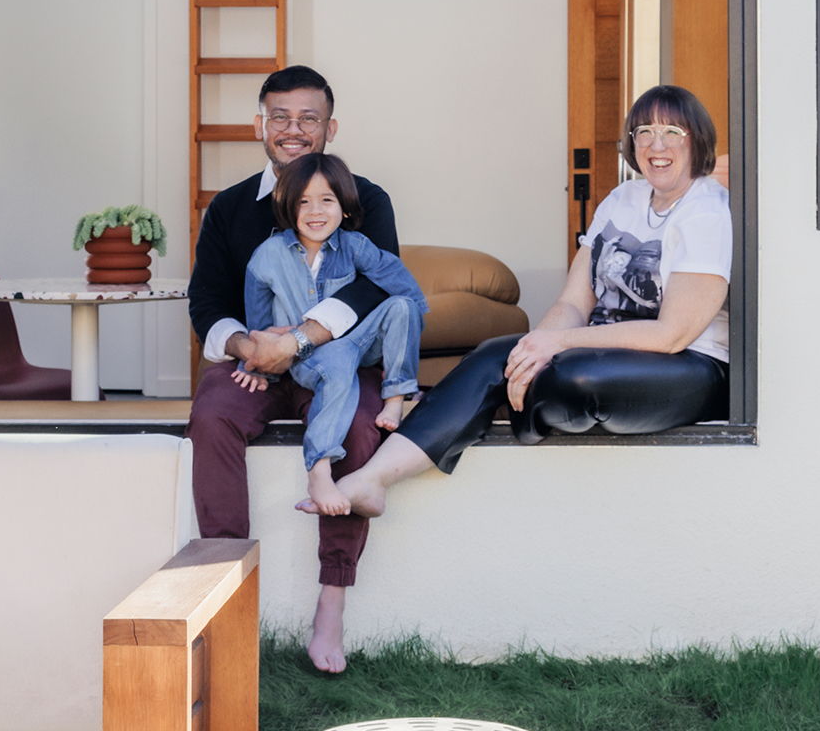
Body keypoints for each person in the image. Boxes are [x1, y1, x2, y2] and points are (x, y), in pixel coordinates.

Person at [301, 85, 730, 519]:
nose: (657, 145)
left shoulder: (706, 212)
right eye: (644, 131)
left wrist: (555, 346)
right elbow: (573, 304)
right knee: (495, 354)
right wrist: (534, 348)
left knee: (573, 378)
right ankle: (373, 478)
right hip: (603, 347)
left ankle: (523, 402)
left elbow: (671, 333)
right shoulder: (623, 199)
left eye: (672, 131)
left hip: (689, 364)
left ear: (697, 138)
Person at [186, 65, 399, 673]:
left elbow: (376, 289)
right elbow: (208, 303)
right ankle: (223, 594)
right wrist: (249, 347)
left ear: (330, 127)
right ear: (261, 124)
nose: (293, 130)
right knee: (212, 416)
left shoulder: (366, 200)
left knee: (361, 429)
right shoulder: (229, 208)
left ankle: (331, 601)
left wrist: (298, 341)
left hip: (337, 362)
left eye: (308, 118)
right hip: (253, 365)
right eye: (279, 117)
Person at [234, 153, 427, 515]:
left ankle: (397, 397)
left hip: (359, 343)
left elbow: (406, 289)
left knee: (402, 307)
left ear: (345, 207)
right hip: (304, 356)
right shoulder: (268, 256)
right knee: (337, 361)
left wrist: (409, 317)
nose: (315, 211)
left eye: (327, 200)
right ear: (288, 208)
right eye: (303, 201)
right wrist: (256, 365)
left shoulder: (355, 245)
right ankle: (319, 471)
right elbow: (257, 326)